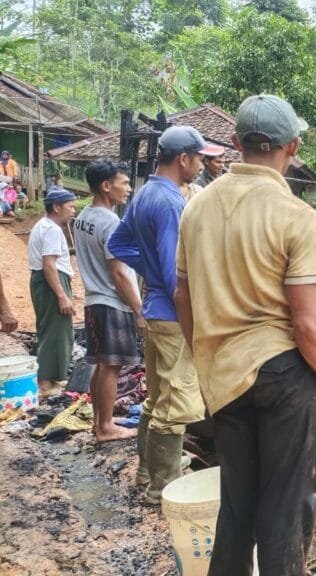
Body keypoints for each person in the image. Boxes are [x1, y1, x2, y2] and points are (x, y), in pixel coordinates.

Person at [175, 94, 316, 576]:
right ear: (292, 146)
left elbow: (182, 296)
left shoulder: (196, 209)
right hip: (281, 377)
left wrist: (205, 360)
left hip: (224, 377)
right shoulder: (296, 215)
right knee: (285, 507)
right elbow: (309, 321)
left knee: (237, 503)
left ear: (236, 143)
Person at [108, 125, 212, 504]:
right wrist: (197, 322)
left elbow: (118, 243)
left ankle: (146, 472)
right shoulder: (170, 203)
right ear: (183, 158)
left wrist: (148, 268)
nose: (201, 166)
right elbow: (174, 277)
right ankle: (163, 488)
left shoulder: (145, 193)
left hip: (155, 311)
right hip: (173, 316)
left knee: (156, 399)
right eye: (199, 159)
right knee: (176, 404)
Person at [73, 159, 142, 442]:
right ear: (106, 186)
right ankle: (105, 427)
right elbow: (118, 273)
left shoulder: (83, 217)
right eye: (124, 183)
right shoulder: (111, 223)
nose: (128, 188)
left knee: (101, 364)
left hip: (94, 300)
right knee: (111, 366)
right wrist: (139, 310)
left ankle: (99, 421)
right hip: (112, 301)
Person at [28, 189, 77, 397]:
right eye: (70, 206)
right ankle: (45, 383)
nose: (73, 211)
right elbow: (49, 264)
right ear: (56, 207)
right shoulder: (52, 229)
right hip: (51, 282)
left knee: (50, 328)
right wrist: (61, 295)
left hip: (44, 281)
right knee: (55, 331)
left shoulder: (43, 226)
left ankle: (49, 378)